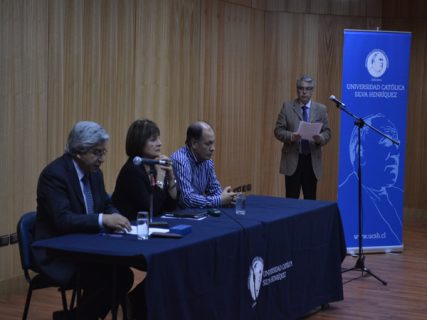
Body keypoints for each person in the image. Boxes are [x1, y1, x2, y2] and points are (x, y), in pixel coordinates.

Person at [32, 121, 134, 320]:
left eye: (103, 152)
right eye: (97, 152)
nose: (102, 158)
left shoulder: (95, 174)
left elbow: (105, 203)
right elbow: (62, 220)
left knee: (120, 274)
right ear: (79, 152)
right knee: (114, 278)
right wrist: (103, 219)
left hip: (87, 250)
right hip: (58, 253)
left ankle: (73, 317)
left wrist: (116, 216)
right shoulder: (54, 175)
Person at [338, 113, 403, 243]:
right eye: (386, 148)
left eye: (396, 148)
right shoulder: (347, 193)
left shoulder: (397, 194)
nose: (394, 155)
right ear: (361, 153)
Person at [274, 75, 331, 200]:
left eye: (308, 88)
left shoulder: (321, 109)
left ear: (312, 90)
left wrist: (319, 138)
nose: (304, 92)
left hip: (312, 161)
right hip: (293, 159)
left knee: (310, 200)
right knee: (291, 200)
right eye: (301, 88)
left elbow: (327, 132)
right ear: (297, 89)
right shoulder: (287, 107)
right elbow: (278, 130)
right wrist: (291, 136)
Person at [112, 119, 177, 221]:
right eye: (153, 140)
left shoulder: (153, 166)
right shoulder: (132, 171)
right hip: (131, 227)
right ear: (139, 143)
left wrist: (171, 176)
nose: (160, 143)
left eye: (159, 139)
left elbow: (170, 206)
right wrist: (160, 178)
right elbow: (151, 210)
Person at [171, 121, 236, 208]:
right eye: (208, 144)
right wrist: (220, 200)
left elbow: (214, 190)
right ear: (194, 143)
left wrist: (228, 198)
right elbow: (187, 199)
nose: (213, 148)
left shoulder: (207, 161)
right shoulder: (180, 160)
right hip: (179, 215)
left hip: (198, 213)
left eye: (213, 143)